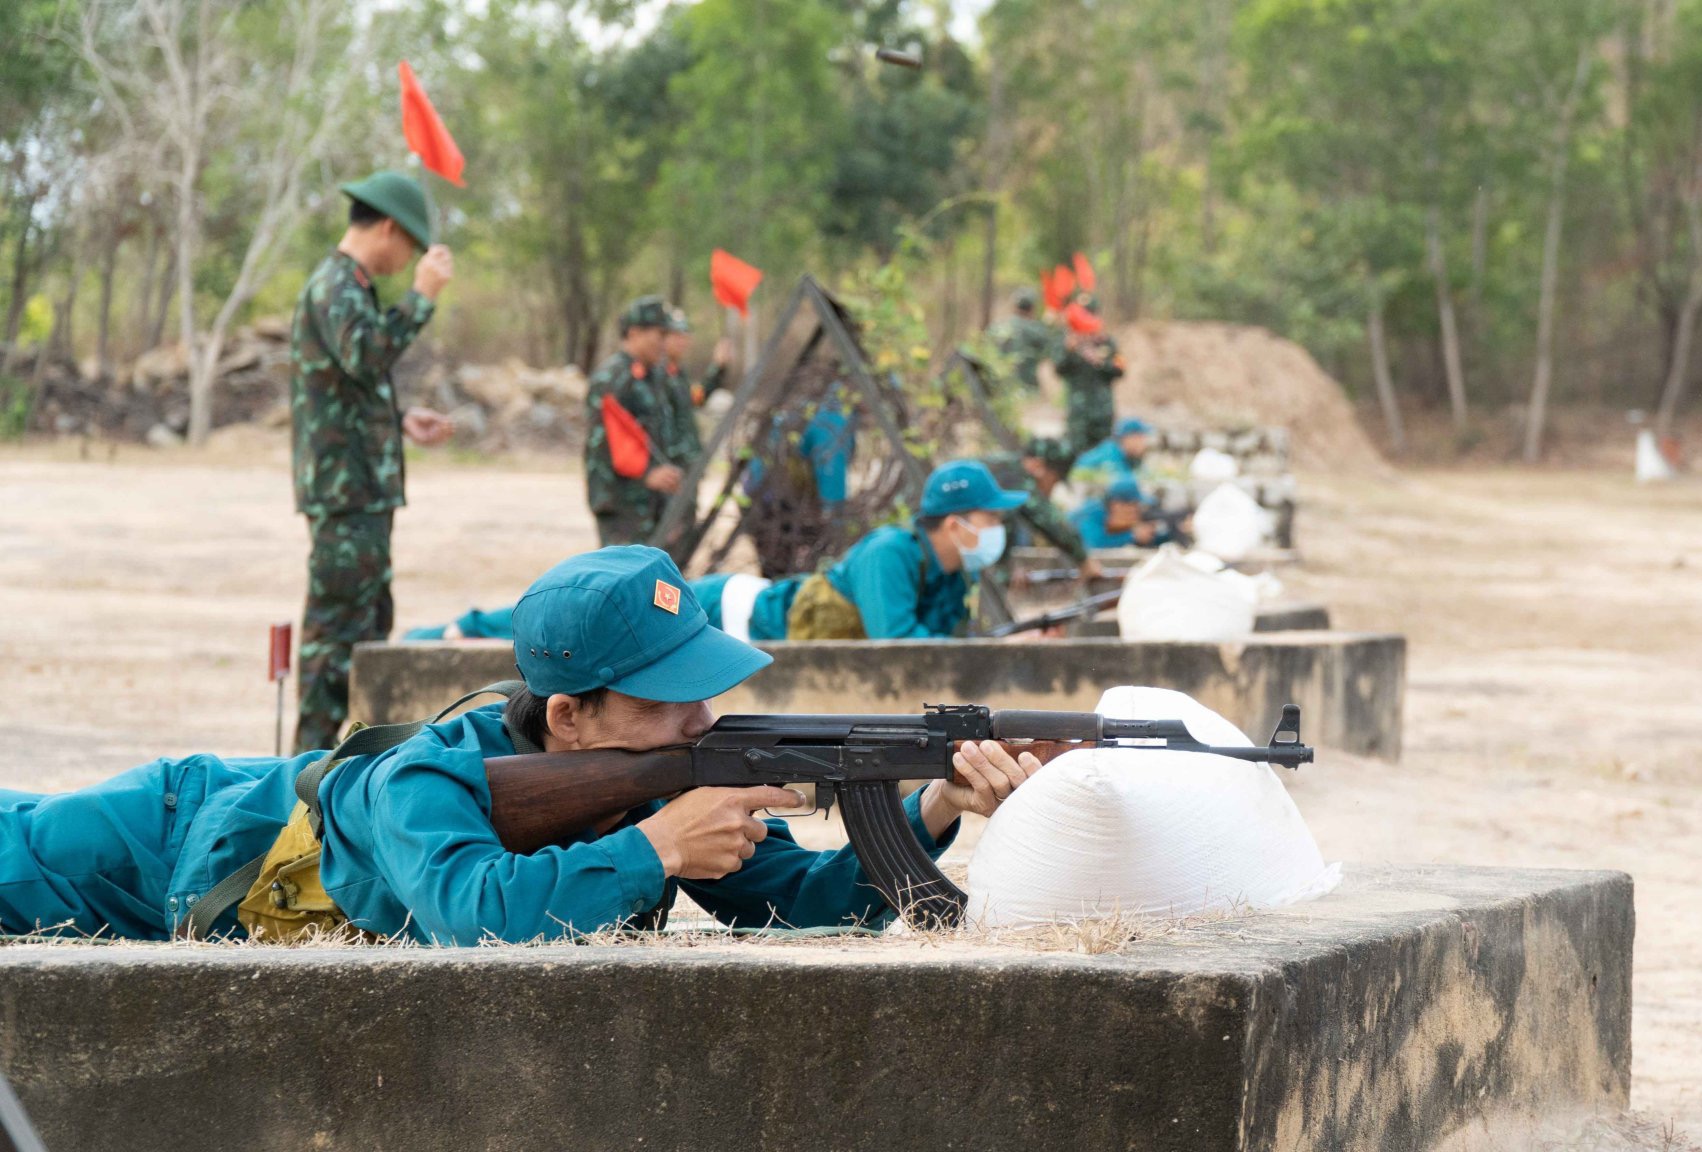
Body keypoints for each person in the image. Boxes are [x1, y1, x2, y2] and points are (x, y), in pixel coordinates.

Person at [0, 547, 1041, 944]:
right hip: (167, 835)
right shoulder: (429, 774)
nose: (700, 721)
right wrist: (656, 852)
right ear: (570, 718)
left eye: (704, 691)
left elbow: (804, 904)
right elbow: (471, 916)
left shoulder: (649, 780)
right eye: (668, 697)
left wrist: (932, 810)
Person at [289, 170, 456, 754]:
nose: (408, 258)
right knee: (335, 643)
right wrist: (422, 296)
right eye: (409, 244)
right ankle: (301, 780)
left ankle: (338, 769)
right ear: (387, 228)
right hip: (346, 495)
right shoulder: (336, 284)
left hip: (358, 492)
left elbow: (344, 384)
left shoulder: (349, 287)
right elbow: (367, 354)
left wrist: (399, 416)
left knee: (363, 633)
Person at [691, 460, 1029, 642]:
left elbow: (953, 643)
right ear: (955, 525)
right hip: (730, 614)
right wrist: (995, 653)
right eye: (992, 518)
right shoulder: (889, 552)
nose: (999, 528)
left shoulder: (957, 574)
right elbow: (898, 646)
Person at [586, 297, 693, 547]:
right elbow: (603, 448)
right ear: (634, 333)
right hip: (623, 506)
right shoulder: (612, 377)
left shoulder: (655, 376)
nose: (665, 343)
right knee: (628, 580)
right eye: (660, 334)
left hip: (654, 503)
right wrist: (646, 475)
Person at [976, 436, 1096, 578]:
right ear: (1038, 466)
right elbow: (1047, 519)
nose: (1051, 489)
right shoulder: (1012, 476)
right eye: (1054, 480)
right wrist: (1083, 559)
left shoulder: (1005, 469)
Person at [659, 305, 733, 466]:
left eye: (684, 335)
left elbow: (695, 398)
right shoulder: (655, 375)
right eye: (676, 335)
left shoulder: (678, 373)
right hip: (669, 464)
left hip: (687, 463)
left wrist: (718, 367)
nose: (682, 341)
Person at [1055, 294, 1123, 451]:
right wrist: (1069, 352)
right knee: (1077, 453)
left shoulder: (1107, 341)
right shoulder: (1068, 341)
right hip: (1078, 411)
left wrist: (1101, 363)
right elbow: (1059, 370)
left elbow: (1119, 370)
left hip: (1103, 409)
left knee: (1104, 452)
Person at [1069, 475, 1182, 551]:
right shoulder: (1092, 515)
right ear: (1116, 505)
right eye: (1134, 507)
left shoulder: (1111, 516)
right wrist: (1131, 536)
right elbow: (1093, 546)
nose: (1136, 513)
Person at [986, 288, 1055, 393]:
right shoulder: (1036, 330)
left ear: (1014, 306)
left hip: (999, 390)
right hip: (1027, 389)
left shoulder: (996, 328)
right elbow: (1051, 350)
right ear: (1032, 308)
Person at [1071, 416, 1155, 489]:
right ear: (1129, 438)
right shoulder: (1110, 455)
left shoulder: (1128, 454)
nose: (1144, 442)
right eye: (1140, 437)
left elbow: (1145, 474)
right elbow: (1123, 482)